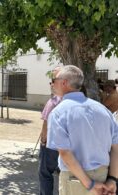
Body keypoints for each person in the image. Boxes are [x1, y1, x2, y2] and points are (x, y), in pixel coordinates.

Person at [47, 65, 118, 195]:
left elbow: (65, 153)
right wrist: (113, 179)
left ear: (64, 82)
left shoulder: (58, 112)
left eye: (54, 80)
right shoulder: (103, 110)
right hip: (103, 176)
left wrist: (89, 184)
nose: (51, 83)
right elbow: (116, 148)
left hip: (76, 179)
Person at [38, 67, 62, 195]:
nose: (51, 84)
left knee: (45, 173)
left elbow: (46, 123)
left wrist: (43, 141)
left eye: (53, 80)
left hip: (51, 144)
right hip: (68, 144)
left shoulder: (53, 101)